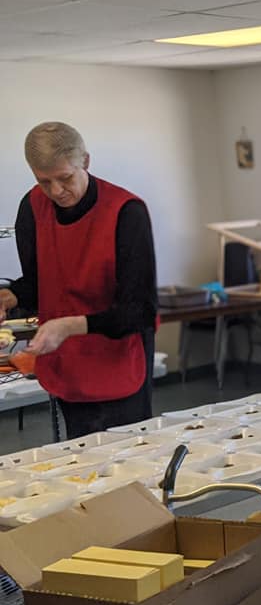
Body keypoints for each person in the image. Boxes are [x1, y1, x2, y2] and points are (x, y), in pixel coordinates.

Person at [0, 122, 158, 438]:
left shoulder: (125, 212)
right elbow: (37, 284)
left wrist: (69, 326)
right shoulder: (32, 207)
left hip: (118, 366)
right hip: (67, 366)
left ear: (85, 161)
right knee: (79, 467)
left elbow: (138, 311)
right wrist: (10, 296)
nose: (56, 192)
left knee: (125, 465)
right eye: (44, 182)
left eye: (65, 178)